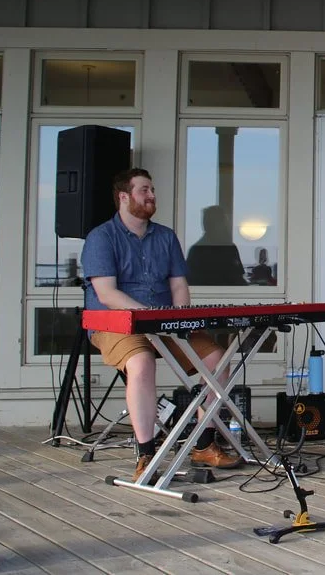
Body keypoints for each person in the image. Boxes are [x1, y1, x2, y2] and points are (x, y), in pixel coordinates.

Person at [81, 169, 242, 481]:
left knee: (218, 358)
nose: (152, 196)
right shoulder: (101, 237)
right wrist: (150, 318)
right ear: (124, 197)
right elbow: (107, 294)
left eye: (152, 189)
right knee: (141, 364)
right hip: (116, 325)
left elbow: (179, 286)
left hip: (165, 325)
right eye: (144, 190)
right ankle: (146, 454)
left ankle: (204, 443)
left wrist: (179, 318)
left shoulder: (166, 237)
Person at [185, 205, 246, 286]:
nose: (226, 225)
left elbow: (238, 277)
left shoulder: (230, 248)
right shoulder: (198, 251)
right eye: (222, 222)